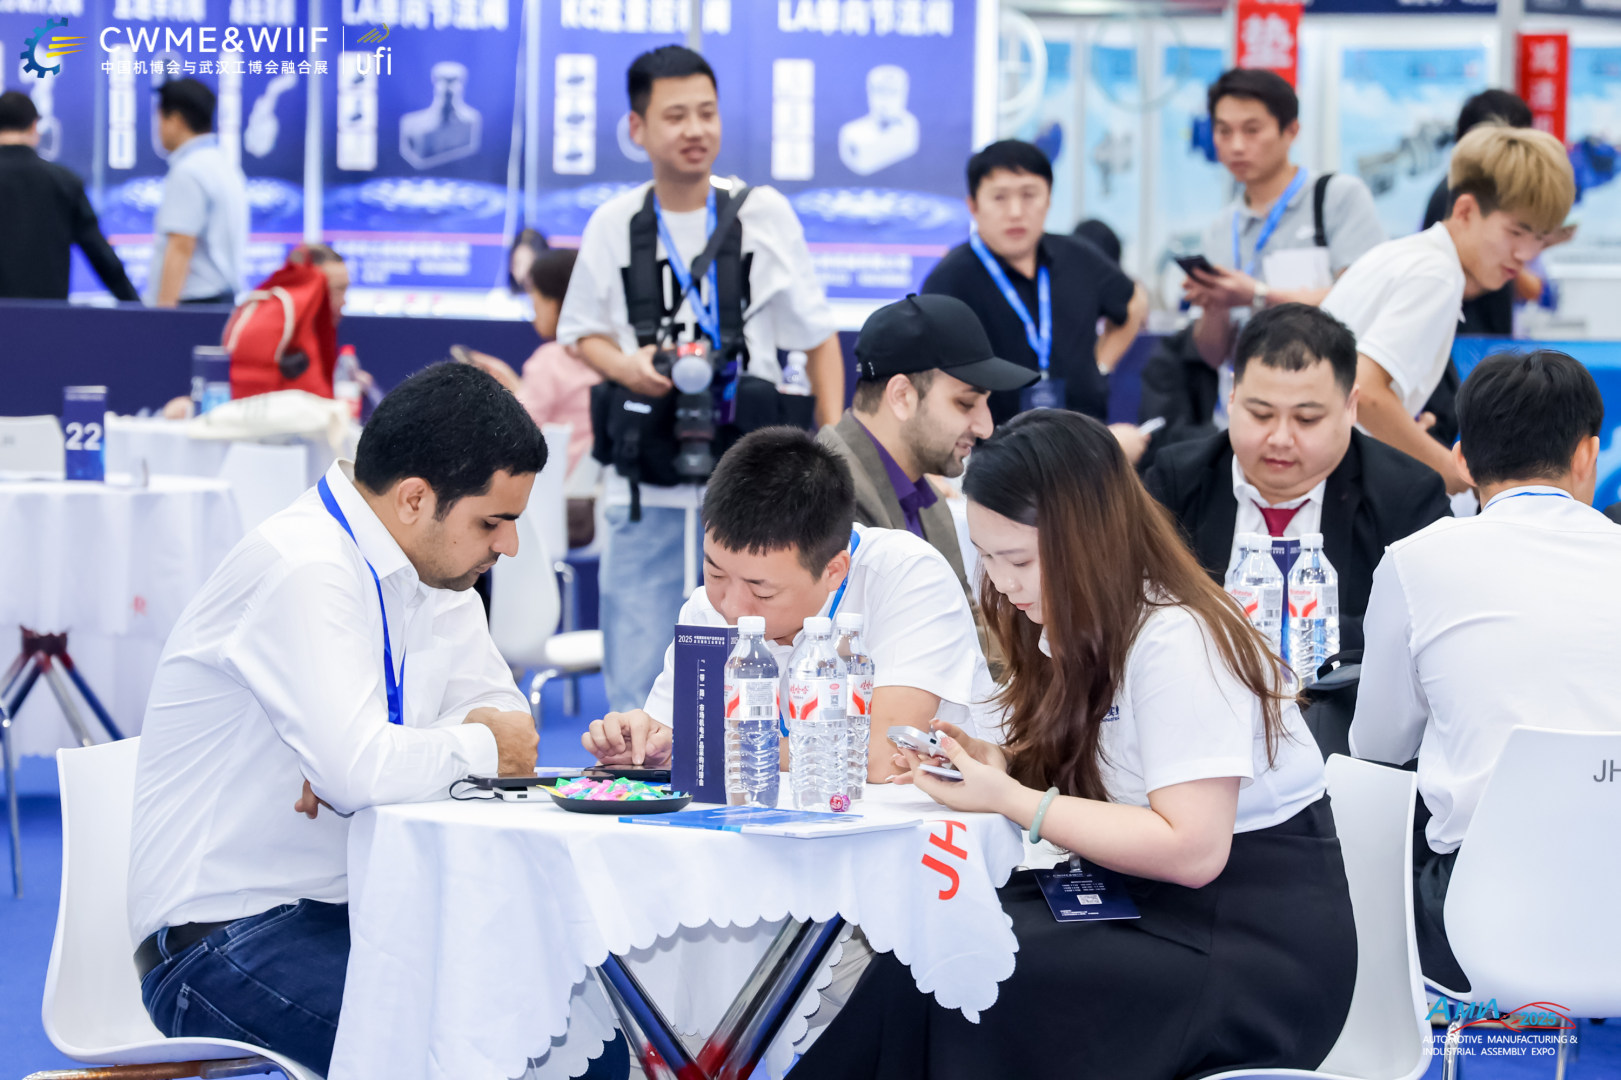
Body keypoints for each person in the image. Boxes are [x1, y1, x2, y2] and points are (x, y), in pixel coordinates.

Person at [793, 409, 1353, 1080]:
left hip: (1246, 946)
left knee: (971, 972)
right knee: (937, 945)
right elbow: (1100, 773)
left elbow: (1194, 850)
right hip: (1147, 904)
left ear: (1089, 538)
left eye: (1018, 560)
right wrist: (1000, 763)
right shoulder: (1081, 623)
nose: (1003, 582)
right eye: (986, 557)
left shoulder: (1179, 637)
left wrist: (1012, 798)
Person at [126, 365, 607, 1077]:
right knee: (508, 1061)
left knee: (586, 1045)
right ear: (414, 498)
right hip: (224, 936)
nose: (508, 546)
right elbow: (378, 767)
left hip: (363, 904)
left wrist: (388, 755)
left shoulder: (438, 574)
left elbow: (511, 726)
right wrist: (392, 758)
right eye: (493, 522)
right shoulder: (305, 565)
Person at [556, 45, 845, 714]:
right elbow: (580, 331)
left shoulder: (762, 213)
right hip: (646, 484)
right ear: (637, 128)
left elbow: (817, 336)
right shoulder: (614, 223)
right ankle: (641, 772)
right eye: (676, 115)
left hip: (755, 482)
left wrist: (832, 443)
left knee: (760, 664)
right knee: (637, 673)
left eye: (707, 113)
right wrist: (628, 367)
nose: (695, 129)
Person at [1350, 350, 1621, 992]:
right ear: (1588, 454)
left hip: (1481, 923)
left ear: (1463, 459)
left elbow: (1377, 748)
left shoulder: (1416, 562)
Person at [581, 426, 1001, 776]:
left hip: (924, 837)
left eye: (762, 590)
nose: (732, 607)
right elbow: (671, 740)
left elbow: (883, 756)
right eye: (714, 572)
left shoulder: (905, 575)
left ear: (834, 570)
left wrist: (703, 749)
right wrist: (642, 744)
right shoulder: (706, 608)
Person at [1144, 303, 1450, 652]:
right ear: (1232, 398)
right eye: (1261, 414)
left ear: (1350, 406)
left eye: (1306, 420)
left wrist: (1282, 636)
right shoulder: (1177, 482)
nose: (1280, 439)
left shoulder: (1407, 497)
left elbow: (1425, 627)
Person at [1322, 124, 1576, 494]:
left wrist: (1405, 436)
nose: (1525, 254)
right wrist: (1457, 474)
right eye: (1516, 232)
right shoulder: (1438, 275)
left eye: (1539, 238)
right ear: (1466, 210)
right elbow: (1365, 391)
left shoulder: (1409, 255)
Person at [922, 140, 1149, 459]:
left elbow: (1134, 301)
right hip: (991, 456)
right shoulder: (949, 279)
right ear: (973, 206)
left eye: (1029, 195)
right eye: (1000, 197)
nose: (1016, 212)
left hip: (1084, 446)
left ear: (1049, 199)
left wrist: (1100, 365)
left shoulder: (1078, 256)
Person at [816, 294, 1033, 626]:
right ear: (902, 396)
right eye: (965, 403)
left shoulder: (930, 502)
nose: (986, 427)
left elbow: (965, 628)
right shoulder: (823, 496)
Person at [1183, 70, 1384, 371]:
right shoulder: (1221, 228)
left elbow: (1365, 300)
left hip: (1323, 390)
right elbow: (1214, 356)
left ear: (1291, 131)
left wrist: (1259, 296)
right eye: (1224, 131)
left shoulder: (1336, 197)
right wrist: (1215, 306)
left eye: (1252, 130)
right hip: (1242, 396)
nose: (1236, 146)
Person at [466, 249, 601, 478]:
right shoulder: (609, 357)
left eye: (534, 302)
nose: (533, 314)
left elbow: (517, 432)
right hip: (594, 484)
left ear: (554, 303)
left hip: (551, 487)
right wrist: (512, 383)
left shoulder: (550, 360)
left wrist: (501, 394)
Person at [0, 90, 138, 301]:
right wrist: (136, 305)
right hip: (46, 315)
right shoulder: (65, 182)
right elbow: (100, 255)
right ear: (34, 126)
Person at [1422, 90, 1537, 338]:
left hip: (1487, 339)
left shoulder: (1491, 192)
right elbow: (1440, 281)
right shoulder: (1454, 193)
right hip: (1462, 342)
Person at [147, 78, 249, 307]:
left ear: (175, 120)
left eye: (159, 118)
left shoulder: (189, 171)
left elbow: (181, 246)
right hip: (221, 298)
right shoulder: (223, 163)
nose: (158, 128)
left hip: (194, 303)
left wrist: (162, 316)